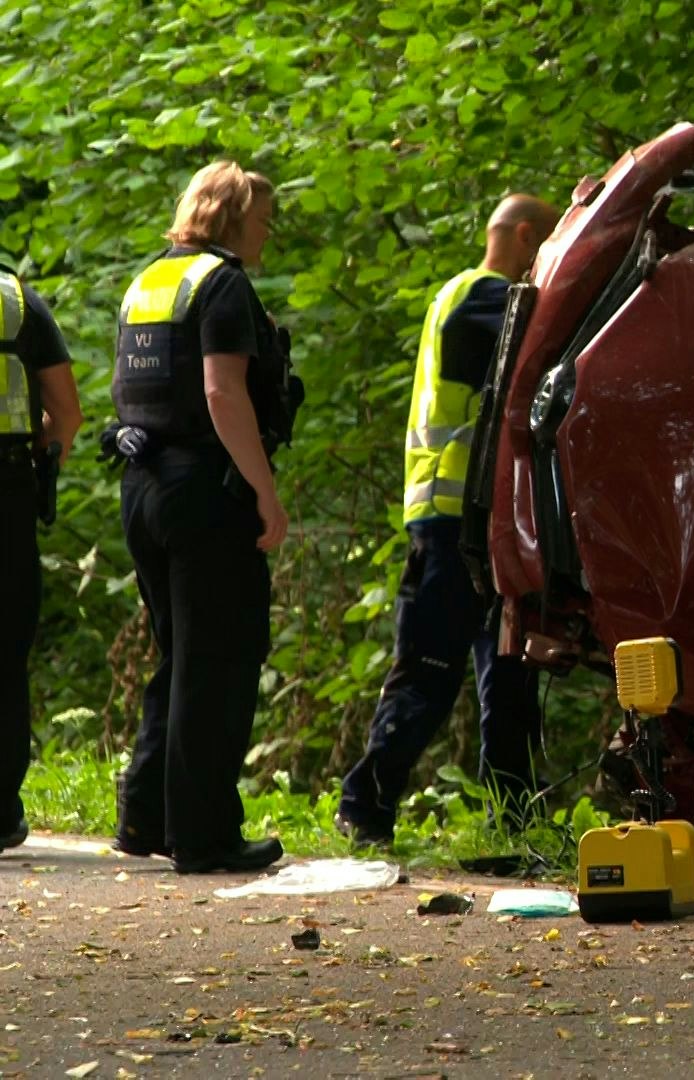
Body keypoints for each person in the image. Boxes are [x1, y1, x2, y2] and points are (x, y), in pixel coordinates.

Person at [336, 194, 559, 846]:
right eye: (549, 248)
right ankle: (363, 808)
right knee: (431, 672)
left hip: (482, 522)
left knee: (510, 674)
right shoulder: (481, 298)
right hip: (450, 520)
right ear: (525, 237)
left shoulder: (471, 299)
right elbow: (551, 336)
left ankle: (513, 823)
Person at [111, 161, 301, 874]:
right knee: (218, 661)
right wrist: (264, 491)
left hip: (144, 486)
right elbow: (223, 393)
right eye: (262, 220)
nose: (267, 233)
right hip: (204, 490)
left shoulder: (151, 281)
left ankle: (145, 816)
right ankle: (205, 835)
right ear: (231, 217)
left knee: (182, 656)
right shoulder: (223, 284)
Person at [0, 267, 82, 850]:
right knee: (5, 649)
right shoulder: (15, 301)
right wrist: (39, 462)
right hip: (5, 493)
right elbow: (67, 414)